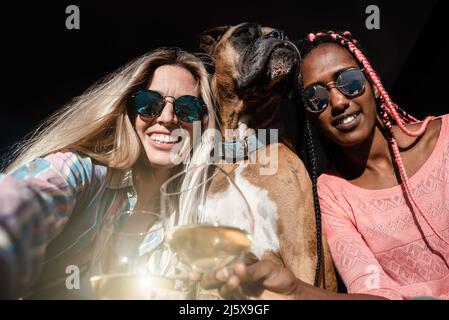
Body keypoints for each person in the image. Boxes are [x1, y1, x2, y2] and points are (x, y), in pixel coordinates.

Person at [201, 30, 449, 300]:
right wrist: (296, 291)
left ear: (375, 85)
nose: (339, 101)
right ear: (310, 115)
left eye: (350, 82)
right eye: (316, 97)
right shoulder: (331, 193)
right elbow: (372, 293)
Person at [0, 47, 217, 299]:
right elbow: (20, 202)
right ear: (126, 111)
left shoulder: (195, 216)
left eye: (187, 107)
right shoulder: (77, 172)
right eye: (149, 104)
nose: (168, 118)